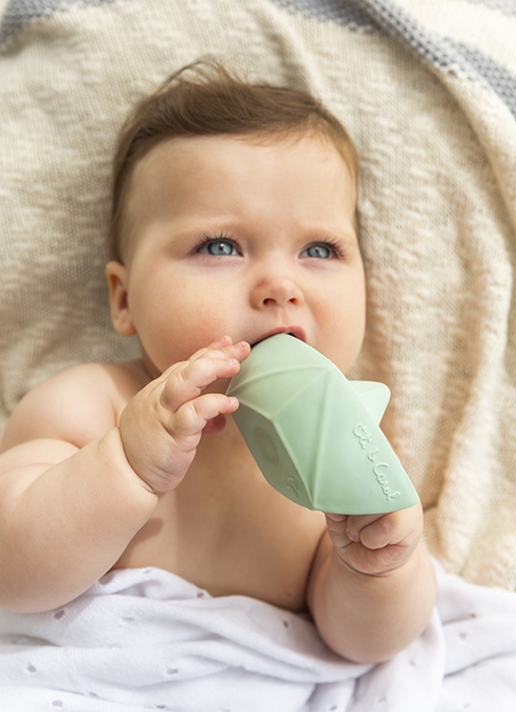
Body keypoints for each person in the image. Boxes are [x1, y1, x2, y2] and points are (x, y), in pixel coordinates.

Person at [0, 60, 436, 664]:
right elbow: (13, 573)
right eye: (220, 246)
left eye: (319, 249)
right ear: (125, 300)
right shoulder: (89, 406)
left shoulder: (344, 445)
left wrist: (380, 568)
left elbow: (362, 645)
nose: (280, 284)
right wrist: (125, 465)